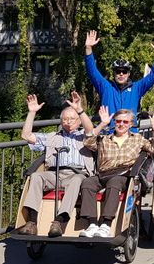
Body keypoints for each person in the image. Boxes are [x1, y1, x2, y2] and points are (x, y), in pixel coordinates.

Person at [18, 91, 97, 237]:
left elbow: (90, 130)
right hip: (55, 173)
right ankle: (31, 223)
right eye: (65, 119)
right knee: (36, 177)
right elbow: (26, 136)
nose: (68, 122)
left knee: (76, 180)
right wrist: (31, 113)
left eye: (72, 119)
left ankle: (59, 221)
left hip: (77, 173)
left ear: (79, 121)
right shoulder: (52, 137)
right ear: (61, 122)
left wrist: (79, 110)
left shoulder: (83, 136)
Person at [77, 107, 154, 238]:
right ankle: (92, 224)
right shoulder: (105, 138)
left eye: (125, 122)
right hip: (103, 173)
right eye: (118, 121)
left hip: (124, 174)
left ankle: (106, 224)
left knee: (114, 182)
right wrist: (102, 124)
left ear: (131, 124)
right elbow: (88, 142)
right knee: (88, 182)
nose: (121, 124)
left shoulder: (137, 139)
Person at [84, 30, 154, 128]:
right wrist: (88, 49)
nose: (121, 74)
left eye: (124, 71)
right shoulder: (106, 87)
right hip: (110, 132)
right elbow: (92, 72)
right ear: (114, 73)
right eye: (118, 71)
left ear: (128, 74)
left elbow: (153, 76)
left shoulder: (136, 88)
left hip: (130, 133)